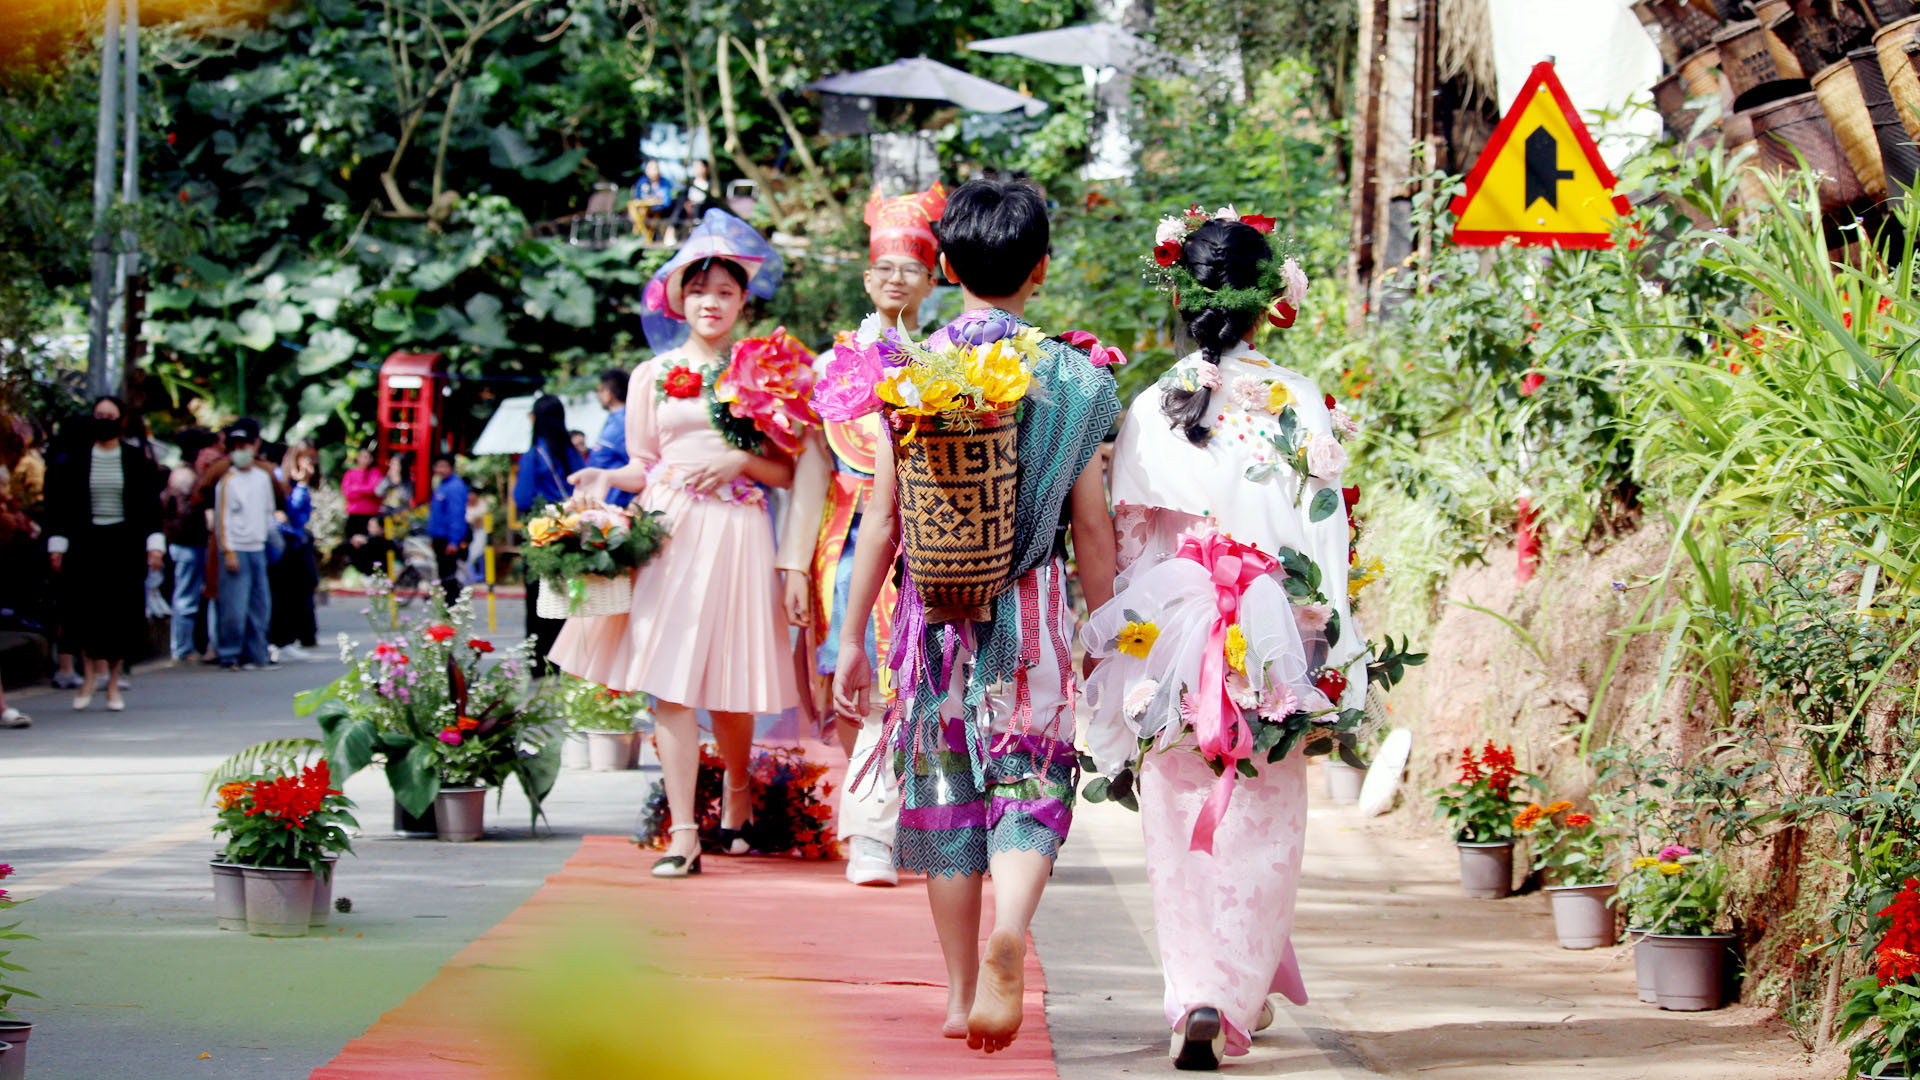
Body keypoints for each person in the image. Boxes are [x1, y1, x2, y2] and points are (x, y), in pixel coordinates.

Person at [829, 177, 1120, 1052]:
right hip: (1030, 609)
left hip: (934, 621)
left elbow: (879, 521)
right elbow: (1094, 530)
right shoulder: (1078, 380)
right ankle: (1014, 926)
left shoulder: (906, 375)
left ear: (944, 264)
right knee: (1031, 782)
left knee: (947, 796)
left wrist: (850, 636)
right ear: (1040, 269)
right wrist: (1105, 635)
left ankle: (960, 995)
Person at [1080, 214, 1366, 1069]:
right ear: (1269, 300)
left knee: (1177, 816)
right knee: (1265, 815)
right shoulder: (1301, 401)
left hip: (1178, 635)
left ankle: (1194, 990)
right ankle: (1234, 997)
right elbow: (1325, 541)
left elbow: (1131, 542)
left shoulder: (1152, 407)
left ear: (1183, 295)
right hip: (1277, 634)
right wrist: (1336, 660)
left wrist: (1127, 652)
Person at [554, 208, 795, 879]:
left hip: (741, 530)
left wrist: (739, 463)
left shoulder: (768, 374)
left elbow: (791, 471)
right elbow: (643, 462)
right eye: (697, 291)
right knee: (668, 685)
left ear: (744, 299)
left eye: (723, 291)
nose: (710, 302)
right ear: (677, 298)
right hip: (669, 530)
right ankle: (683, 832)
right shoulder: (650, 376)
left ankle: (738, 795)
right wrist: (606, 475)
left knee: (731, 689)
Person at [781, 182, 947, 888]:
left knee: (904, 680)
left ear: (932, 279)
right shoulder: (831, 366)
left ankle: (877, 829)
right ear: (866, 275)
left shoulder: (941, 364)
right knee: (846, 674)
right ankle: (872, 811)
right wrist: (792, 563)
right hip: (840, 544)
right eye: (885, 268)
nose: (896, 280)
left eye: (911, 267)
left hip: (918, 544)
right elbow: (811, 470)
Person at [44, 396, 166, 710]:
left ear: (121, 420)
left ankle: (113, 682)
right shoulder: (75, 459)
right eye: (99, 415)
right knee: (83, 610)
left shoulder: (136, 459)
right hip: (86, 542)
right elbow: (60, 505)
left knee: (120, 611)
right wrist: (57, 545)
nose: (104, 420)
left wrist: (154, 545)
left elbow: (151, 507)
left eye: (110, 415)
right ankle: (87, 676)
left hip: (124, 543)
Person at [197, 419, 286, 671]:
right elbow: (221, 517)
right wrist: (228, 550)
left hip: (258, 546)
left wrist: (273, 542)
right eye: (236, 445)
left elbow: (271, 510)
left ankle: (257, 653)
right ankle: (230, 653)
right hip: (236, 547)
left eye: (245, 444)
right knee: (234, 605)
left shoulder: (263, 476)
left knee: (260, 605)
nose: (242, 450)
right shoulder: (226, 478)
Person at [514, 393, 587, 672]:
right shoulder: (573, 454)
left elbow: (522, 499)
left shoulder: (534, 456)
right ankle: (567, 659)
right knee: (570, 597)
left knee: (538, 599)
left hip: (541, 536)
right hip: (571, 535)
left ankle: (539, 661)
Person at [160, 427, 216, 662]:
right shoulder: (185, 476)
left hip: (193, 543)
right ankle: (182, 647)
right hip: (187, 543)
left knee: (192, 594)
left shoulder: (191, 473)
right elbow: (185, 513)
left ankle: (189, 645)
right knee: (186, 596)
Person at [268, 443, 320, 660]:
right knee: (282, 594)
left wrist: (302, 484)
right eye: (304, 458)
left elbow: (300, 517)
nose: (308, 464)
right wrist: (299, 485)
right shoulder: (279, 478)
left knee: (303, 588)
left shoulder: (301, 484)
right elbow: (285, 514)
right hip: (280, 543)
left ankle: (291, 638)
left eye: (312, 459)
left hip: (297, 543)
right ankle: (278, 640)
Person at [425, 455, 472, 603]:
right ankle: (447, 609)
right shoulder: (442, 485)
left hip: (448, 538)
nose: (440, 469)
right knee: (444, 576)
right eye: (437, 466)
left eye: (443, 466)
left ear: (451, 467)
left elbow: (457, 516)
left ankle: (452, 610)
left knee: (449, 576)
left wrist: (454, 540)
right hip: (439, 536)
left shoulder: (455, 486)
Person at [589, 369, 632, 508]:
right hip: (606, 502)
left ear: (609, 393)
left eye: (599, 390)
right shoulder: (615, 420)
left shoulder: (622, 423)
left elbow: (635, 462)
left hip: (618, 505)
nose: (597, 395)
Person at [339, 446, 383, 571]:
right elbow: (347, 492)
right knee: (353, 544)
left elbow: (374, 489)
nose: (366, 460)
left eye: (368, 457)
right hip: (355, 515)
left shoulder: (375, 473)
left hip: (370, 516)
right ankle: (354, 569)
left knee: (369, 545)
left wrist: (357, 488)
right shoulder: (350, 473)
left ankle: (369, 570)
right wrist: (364, 490)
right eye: (363, 456)